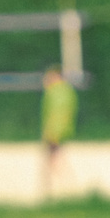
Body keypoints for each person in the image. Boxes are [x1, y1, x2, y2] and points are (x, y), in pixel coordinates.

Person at [39, 68, 76, 200]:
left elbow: (56, 113)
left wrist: (51, 131)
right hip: (63, 130)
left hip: (55, 130)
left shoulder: (55, 92)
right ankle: (62, 185)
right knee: (57, 156)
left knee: (52, 159)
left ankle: (58, 187)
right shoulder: (67, 91)